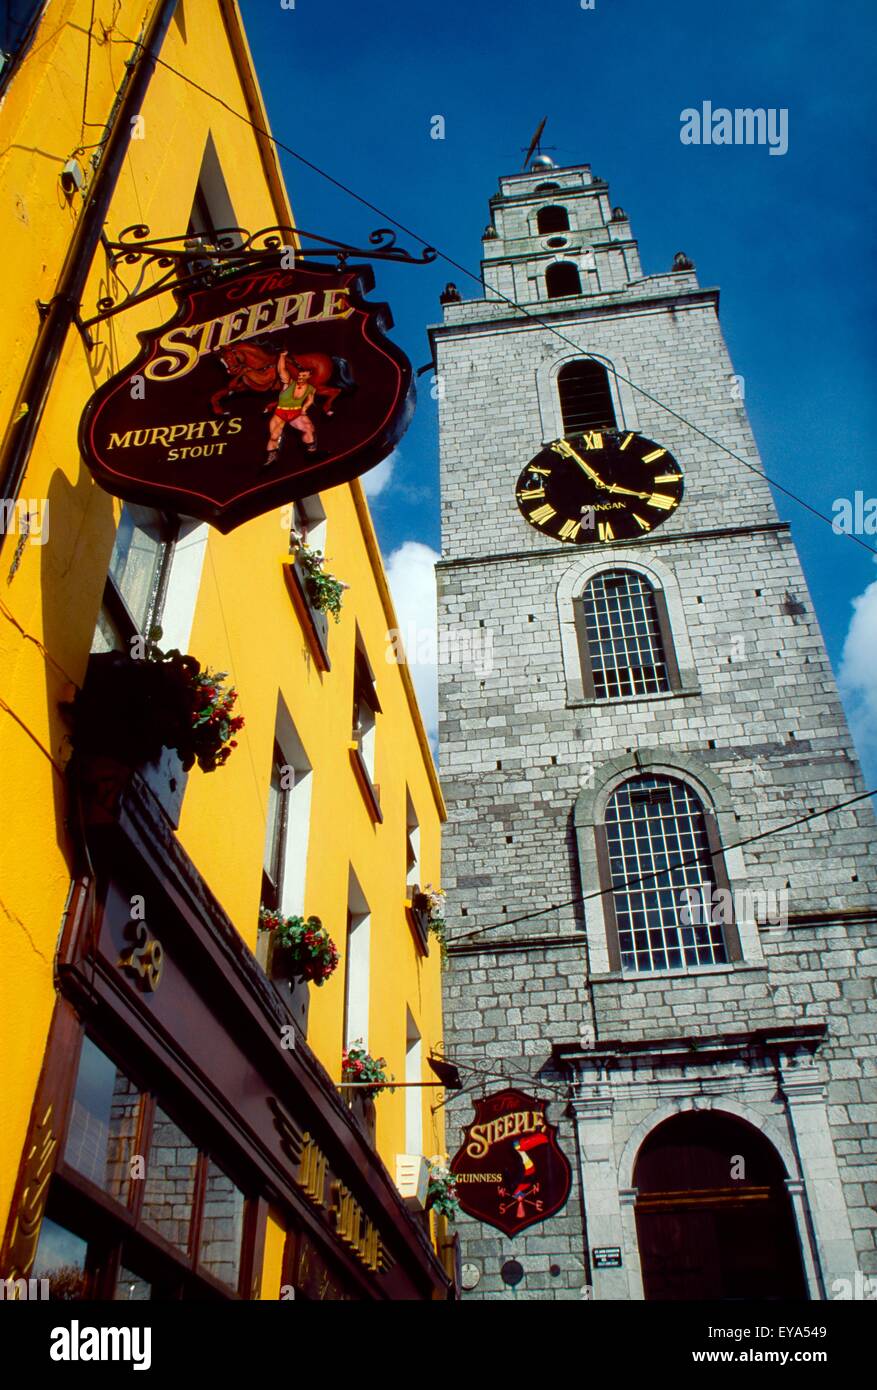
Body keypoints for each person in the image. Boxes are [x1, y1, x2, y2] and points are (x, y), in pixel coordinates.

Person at [265, 352, 318, 465]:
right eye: (299, 375)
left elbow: (310, 400)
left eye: (303, 376)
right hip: (280, 412)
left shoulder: (310, 388)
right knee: (274, 436)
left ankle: (312, 451)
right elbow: (281, 370)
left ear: (309, 376)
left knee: (309, 428)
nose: (300, 377)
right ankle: (271, 457)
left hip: (296, 412)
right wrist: (282, 356)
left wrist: (304, 409)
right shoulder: (289, 383)